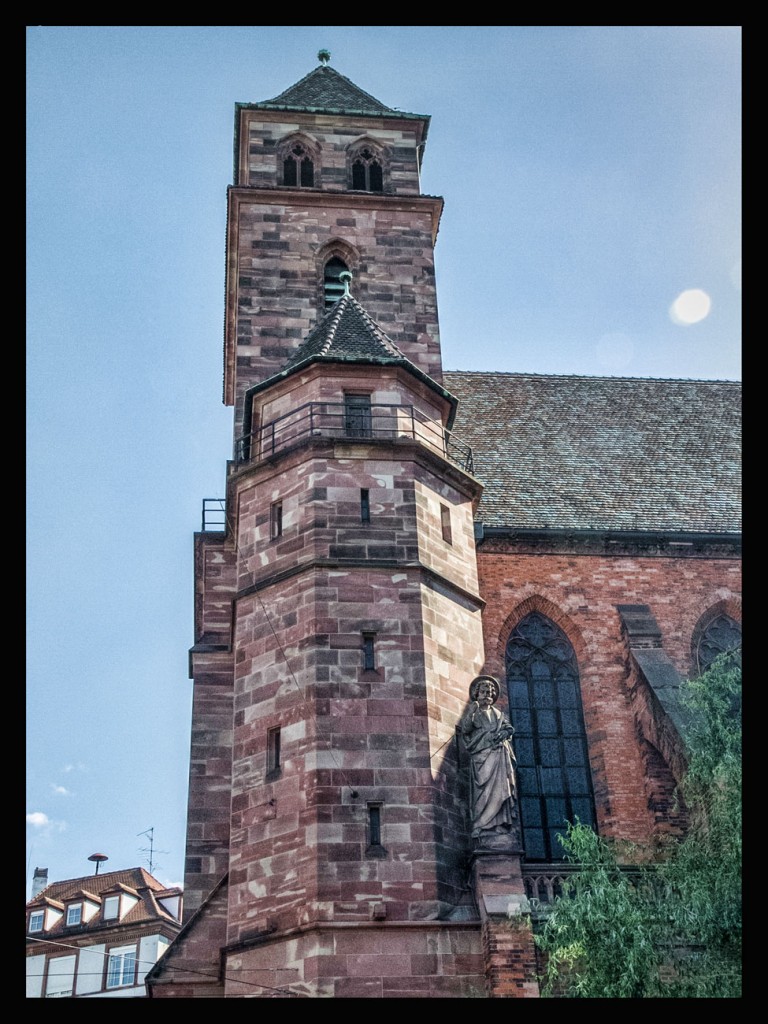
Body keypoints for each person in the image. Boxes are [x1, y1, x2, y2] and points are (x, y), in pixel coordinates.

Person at [458, 675, 517, 837]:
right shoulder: (474, 712)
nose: (487, 695)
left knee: (500, 789)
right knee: (482, 792)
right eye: (483, 692)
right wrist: (471, 711)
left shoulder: (498, 713)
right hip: (481, 755)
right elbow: (466, 729)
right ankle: (481, 824)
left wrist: (505, 732)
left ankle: (499, 824)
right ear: (477, 694)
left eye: (490, 693)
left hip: (498, 754)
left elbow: (509, 728)